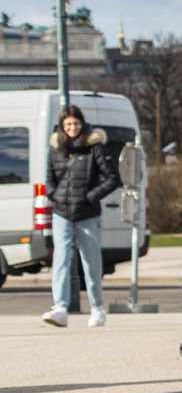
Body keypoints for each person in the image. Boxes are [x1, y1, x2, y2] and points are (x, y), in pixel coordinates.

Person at [43, 104, 120, 328]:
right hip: (61, 214)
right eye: (68, 124)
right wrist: (53, 194)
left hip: (87, 214)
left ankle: (97, 308)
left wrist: (90, 197)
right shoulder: (56, 149)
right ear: (61, 127)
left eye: (76, 123)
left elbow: (113, 178)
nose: (72, 127)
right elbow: (49, 178)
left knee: (91, 262)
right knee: (61, 260)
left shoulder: (94, 148)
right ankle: (60, 308)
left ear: (82, 125)